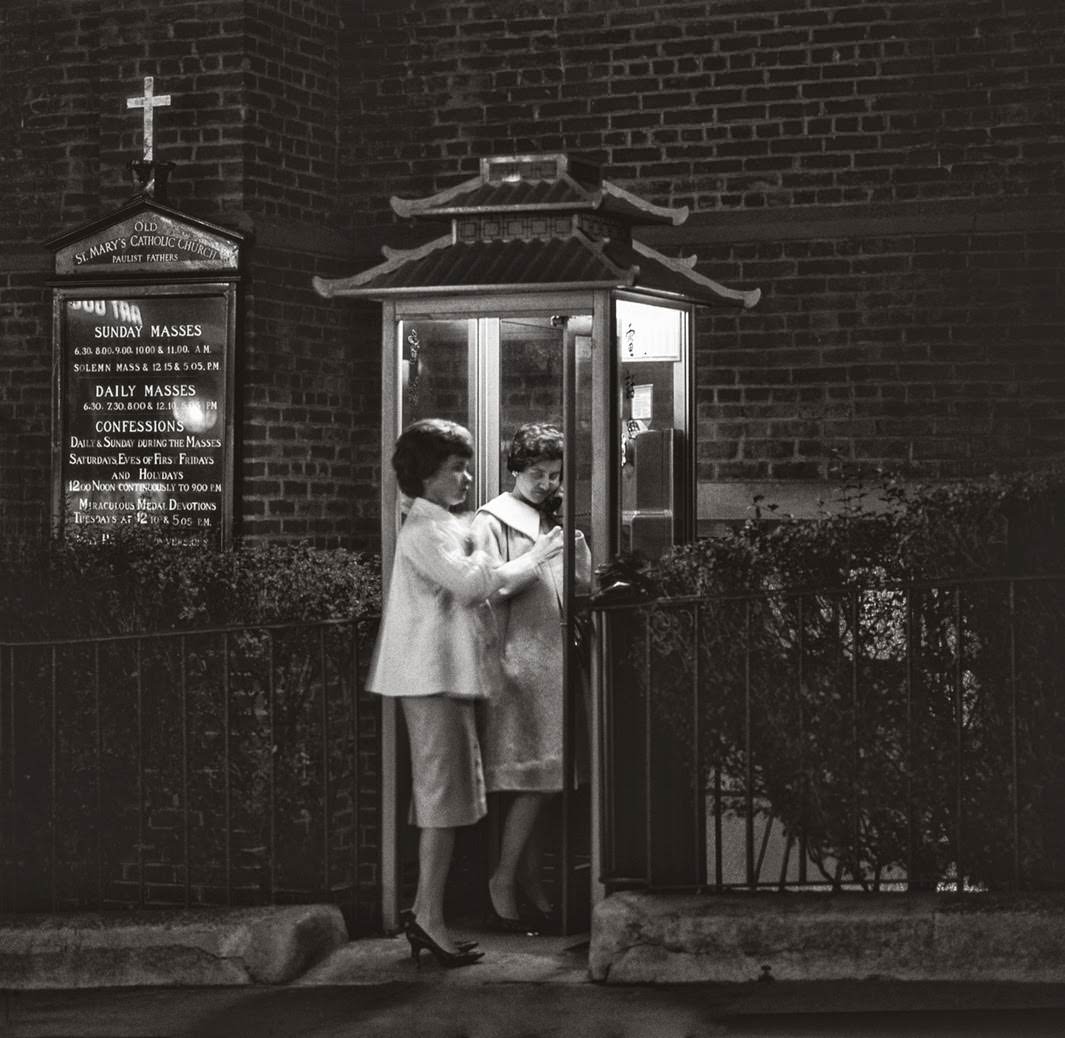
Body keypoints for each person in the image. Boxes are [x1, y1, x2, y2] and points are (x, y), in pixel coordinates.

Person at [366, 418, 563, 968]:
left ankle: (429, 914)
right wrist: (495, 549)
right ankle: (426, 915)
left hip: (445, 680)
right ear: (427, 476)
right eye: (456, 469)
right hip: (430, 679)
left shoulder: (438, 525)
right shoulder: (425, 530)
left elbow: (486, 581)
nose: (467, 478)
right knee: (441, 803)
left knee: (447, 803)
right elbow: (476, 583)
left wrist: (517, 557)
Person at [472, 423, 592, 932]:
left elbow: (579, 587)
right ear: (516, 470)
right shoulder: (492, 520)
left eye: (554, 475)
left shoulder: (552, 520)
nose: (546, 483)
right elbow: (482, 589)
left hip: (554, 660)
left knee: (549, 778)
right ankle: (502, 880)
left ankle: (529, 883)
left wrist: (576, 555)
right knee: (536, 778)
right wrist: (536, 557)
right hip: (519, 661)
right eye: (537, 474)